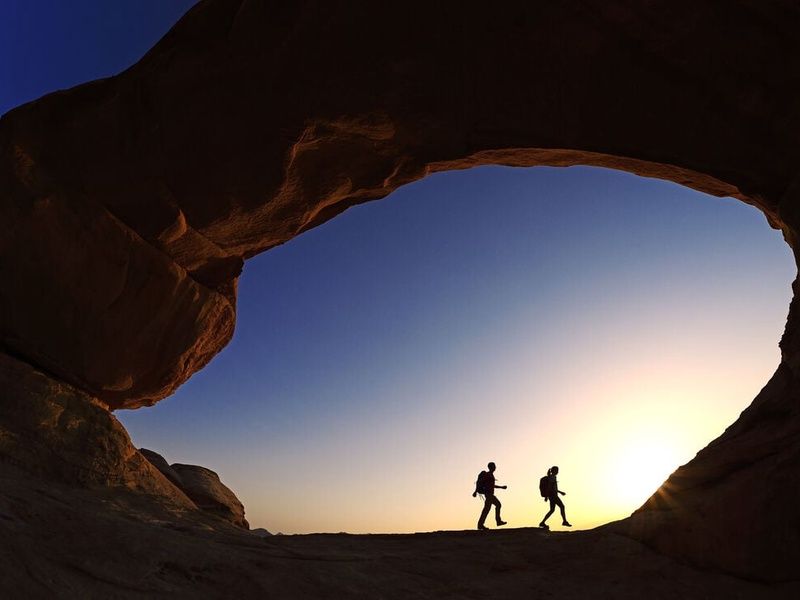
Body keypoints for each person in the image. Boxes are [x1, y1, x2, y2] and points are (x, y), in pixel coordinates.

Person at [472, 461, 507, 530]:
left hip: (489, 494)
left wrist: (501, 487)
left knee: (487, 509)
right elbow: (481, 483)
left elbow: (492, 485)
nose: (495, 467)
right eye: (494, 466)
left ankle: (481, 524)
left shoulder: (490, 475)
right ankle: (497, 521)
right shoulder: (488, 475)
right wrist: (475, 491)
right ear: (491, 467)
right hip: (489, 495)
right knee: (497, 505)